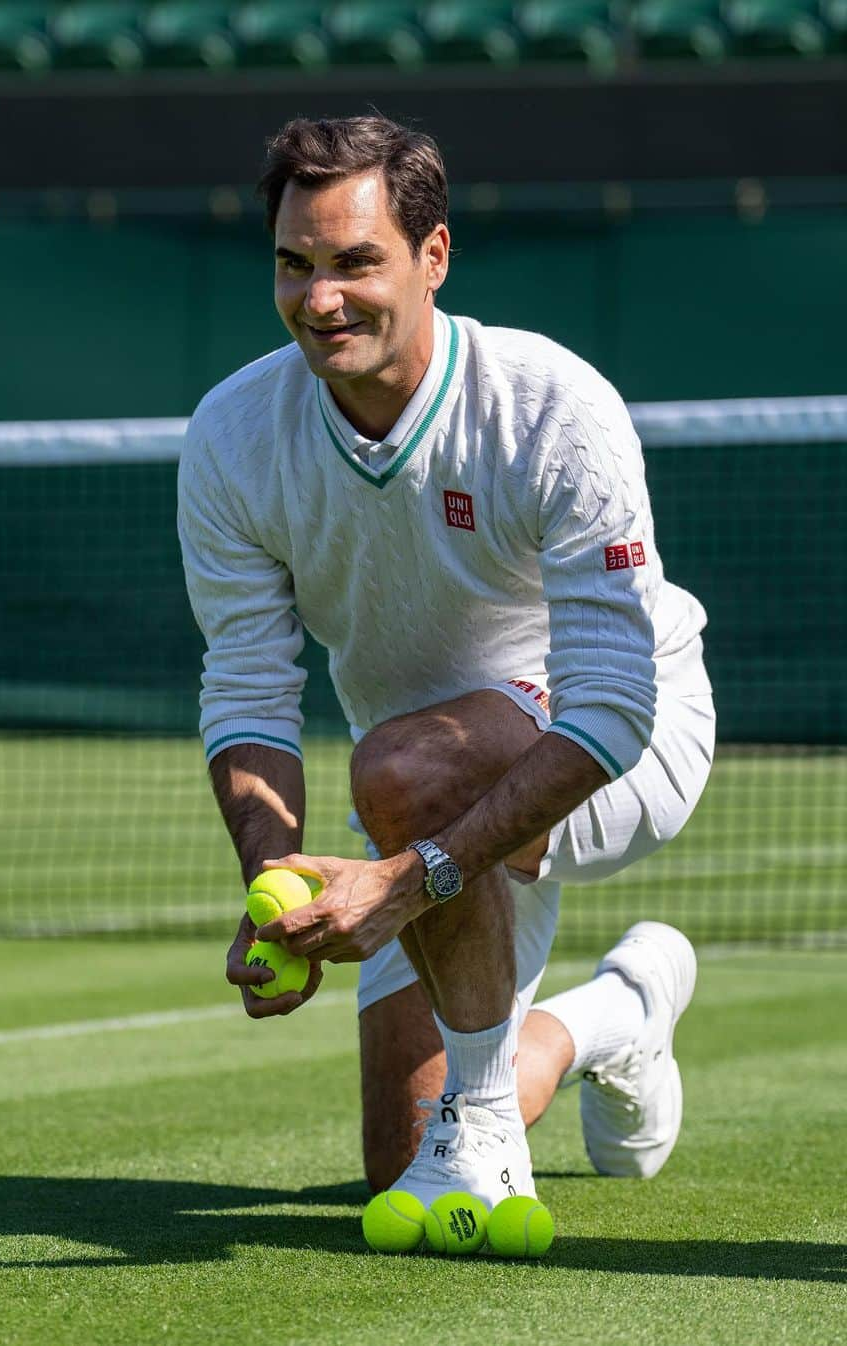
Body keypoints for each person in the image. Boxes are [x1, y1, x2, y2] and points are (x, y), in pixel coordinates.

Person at [177, 115, 715, 1213]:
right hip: (418, 783)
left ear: (433, 257)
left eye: (355, 262)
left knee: (408, 770)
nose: (320, 298)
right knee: (406, 1159)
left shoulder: (554, 406)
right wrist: (273, 884)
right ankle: (618, 1013)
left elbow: (614, 702)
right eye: (296, 263)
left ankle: (487, 1132)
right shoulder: (234, 435)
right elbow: (247, 689)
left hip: (629, 744)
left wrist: (414, 873)